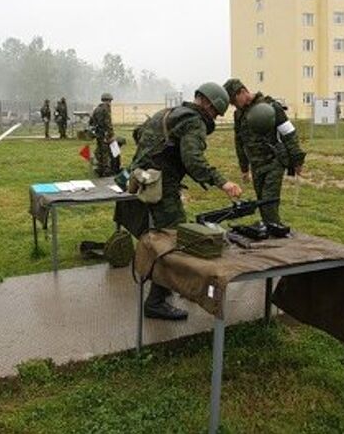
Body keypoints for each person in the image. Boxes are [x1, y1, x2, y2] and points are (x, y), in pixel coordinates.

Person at [129, 82, 242, 320]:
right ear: (210, 105)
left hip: (143, 180)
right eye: (216, 113)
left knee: (158, 234)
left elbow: (139, 134)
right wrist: (223, 182)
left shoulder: (169, 112)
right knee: (172, 241)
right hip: (161, 187)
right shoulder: (193, 121)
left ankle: (163, 287)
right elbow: (193, 159)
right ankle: (156, 301)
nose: (213, 118)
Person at [223, 78, 306, 225]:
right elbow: (239, 141)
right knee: (262, 202)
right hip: (256, 164)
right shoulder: (239, 115)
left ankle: (276, 234)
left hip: (273, 161)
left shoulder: (271, 107)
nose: (234, 105)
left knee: (268, 202)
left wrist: (297, 160)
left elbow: (289, 133)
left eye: (234, 101)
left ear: (242, 92)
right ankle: (271, 230)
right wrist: (244, 168)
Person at [90, 92, 115, 177]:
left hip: (98, 134)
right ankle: (106, 171)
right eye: (110, 101)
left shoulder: (97, 109)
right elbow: (108, 123)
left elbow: (91, 121)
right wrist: (111, 134)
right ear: (108, 100)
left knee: (100, 150)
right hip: (105, 134)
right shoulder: (106, 108)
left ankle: (99, 169)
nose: (110, 103)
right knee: (105, 152)